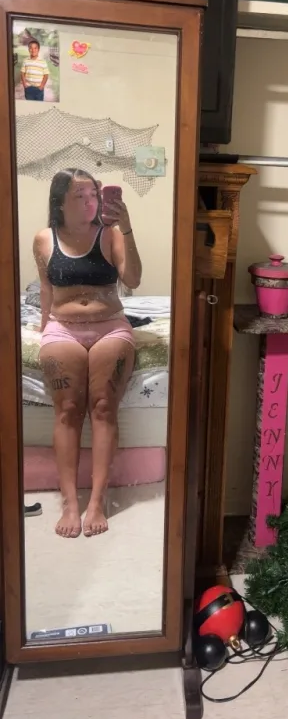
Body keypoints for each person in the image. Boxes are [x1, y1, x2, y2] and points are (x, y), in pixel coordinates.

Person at [33, 168, 142, 538]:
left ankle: (97, 500)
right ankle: (70, 502)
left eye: (93, 194)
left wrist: (127, 227)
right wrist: (45, 329)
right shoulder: (44, 239)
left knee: (103, 406)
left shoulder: (111, 234)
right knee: (68, 409)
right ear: (60, 202)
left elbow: (133, 280)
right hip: (63, 327)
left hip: (110, 325)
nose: (89, 201)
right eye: (78, 196)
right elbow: (46, 289)